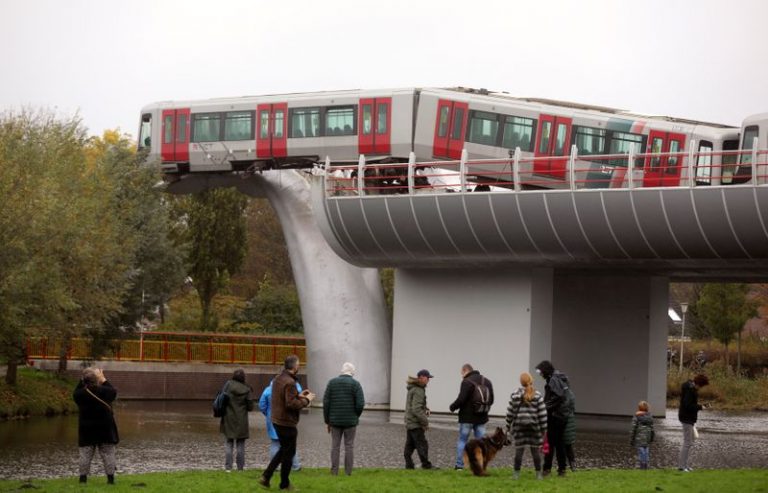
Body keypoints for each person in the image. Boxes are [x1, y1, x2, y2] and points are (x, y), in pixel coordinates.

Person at [258, 355, 315, 490]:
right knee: (289, 454)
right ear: (294, 366)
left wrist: (299, 395)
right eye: (298, 364)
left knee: (284, 450)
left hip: (277, 420)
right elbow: (291, 404)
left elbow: (283, 397)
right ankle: (284, 484)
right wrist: (307, 400)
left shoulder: (278, 379)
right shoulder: (290, 382)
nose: (299, 366)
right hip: (286, 422)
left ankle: (266, 476)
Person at [72, 367, 119, 485]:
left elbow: (77, 390)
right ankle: (110, 480)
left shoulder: (79, 394)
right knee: (108, 454)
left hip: (86, 429)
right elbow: (113, 391)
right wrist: (102, 377)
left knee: (85, 455)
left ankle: (83, 480)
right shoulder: (105, 391)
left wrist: (83, 378)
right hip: (105, 429)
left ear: (83, 380)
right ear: (96, 379)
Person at [448, 363, 494, 470]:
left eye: (461, 373)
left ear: (465, 370)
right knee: (481, 443)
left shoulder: (466, 382)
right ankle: (481, 465)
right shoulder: (487, 381)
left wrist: (452, 407)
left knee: (462, 440)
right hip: (481, 417)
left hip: (467, 418)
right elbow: (491, 400)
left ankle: (459, 466)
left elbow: (461, 399)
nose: (461, 376)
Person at [323, 362, 365, 476]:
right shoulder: (356, 384)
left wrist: (327, 421)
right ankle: (348, 472)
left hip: (335, 421)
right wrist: (356, 415)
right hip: (350, 422)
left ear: (342, 371)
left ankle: (334, 471)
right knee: (349, 446)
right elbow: (360, 404)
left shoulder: (331, 383)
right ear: (352, 372)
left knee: (335, 446)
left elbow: (326, 403)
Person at [535, 360, 575, 477]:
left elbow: (558, 396)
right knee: (559, 443)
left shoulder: (553, 380)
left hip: (555, 416)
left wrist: (545, 407)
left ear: (545, 370)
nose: (540, 374)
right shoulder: (559, 378)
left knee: (551, 443)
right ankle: (561, 470)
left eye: (541, 372)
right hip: (562, 416)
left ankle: (547, 469)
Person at [505, 372, 547, 480]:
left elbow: (510, 413)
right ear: (531, 381)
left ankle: (516, 475)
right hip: (534, 428)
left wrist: (508, 426)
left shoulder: (514, 395)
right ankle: (538, 475)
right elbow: (542, 414)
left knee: (519, 451)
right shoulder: (537, 395)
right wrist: (544, 430)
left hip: (519, 428)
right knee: (535, 452)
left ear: (521, 382)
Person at [259, 379, 303, 471]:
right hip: (287, 418)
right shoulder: (293, 387)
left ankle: (274, 466)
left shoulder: (268, 389)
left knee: (275, 443)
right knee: (290, 443)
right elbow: (299, 398)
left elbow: (262, 405)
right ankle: (295, 465)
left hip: (272, 419)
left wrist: (267, 414)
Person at [220, 369, 254, 472]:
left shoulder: (228, 385)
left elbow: (222, 399)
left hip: (228, 418)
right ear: (243, 378)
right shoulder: (247, 389)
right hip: (241, 420)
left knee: (229, 443)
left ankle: (228, 468)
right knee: (240, 445)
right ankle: (240, 468)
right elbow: (250, 407)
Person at [404, 369, 437, 469]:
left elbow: (416, 406)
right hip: (415, 423)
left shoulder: (413, 388)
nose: (428, 380)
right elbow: (416, 409)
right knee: (422, 444)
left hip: (410, 422)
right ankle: (426, 465)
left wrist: (426, 409)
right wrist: (425, 422)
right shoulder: (418, 390)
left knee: (410, 445)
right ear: (422, 377)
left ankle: (409, 465)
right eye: (428, 378)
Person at [678, 373, 709, 472]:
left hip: (688, 418)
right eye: (702, 386)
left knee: (690, 442)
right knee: (687, 443)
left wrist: (700, 406)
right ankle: (682, 467)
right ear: (699, 384)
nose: (701, 388)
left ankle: (685, 466)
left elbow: (689, 404)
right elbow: (687, 405)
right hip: (686, 418)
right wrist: (700, 407)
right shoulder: (690, 390)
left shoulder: (690, 388)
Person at [630, 400, 655, 470]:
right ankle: (646, 465)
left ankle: (642, 466)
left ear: (639, 408)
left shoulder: (636, 416)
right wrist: (652, 438)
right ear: (647, 408)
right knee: (646, 451)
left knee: (641, 452)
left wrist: (631, 439)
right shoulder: (650, 417)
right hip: (647, 437)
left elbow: (633, 428)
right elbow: (652, 428)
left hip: (639, 438)